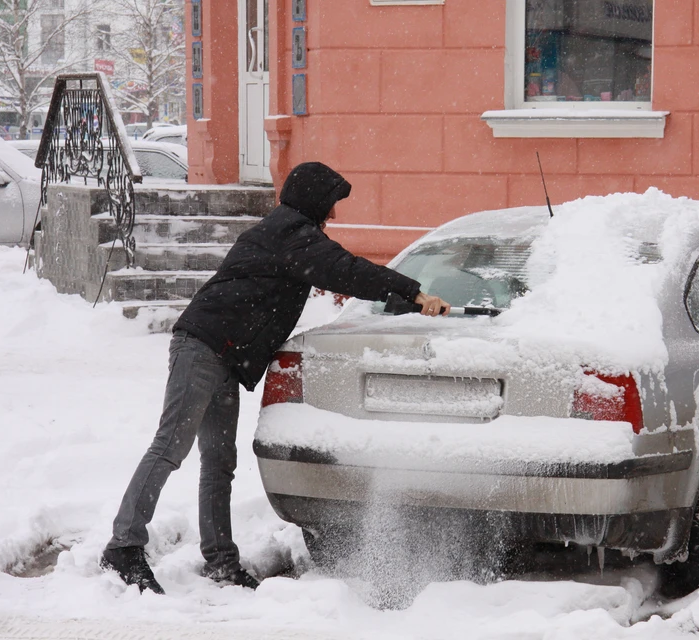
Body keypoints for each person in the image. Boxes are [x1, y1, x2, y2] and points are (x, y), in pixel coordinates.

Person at [101, 161, 450, 594]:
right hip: (203, 347)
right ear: (315, 202)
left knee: (219, 462)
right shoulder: (291, 236)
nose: (335, 215)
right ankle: (123, 545)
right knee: (171, 445)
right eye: (331, 204)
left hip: (225, 357)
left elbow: (343, 270)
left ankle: (222, 561)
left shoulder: (286, 234)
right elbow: (348, 270)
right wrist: (412, 292)